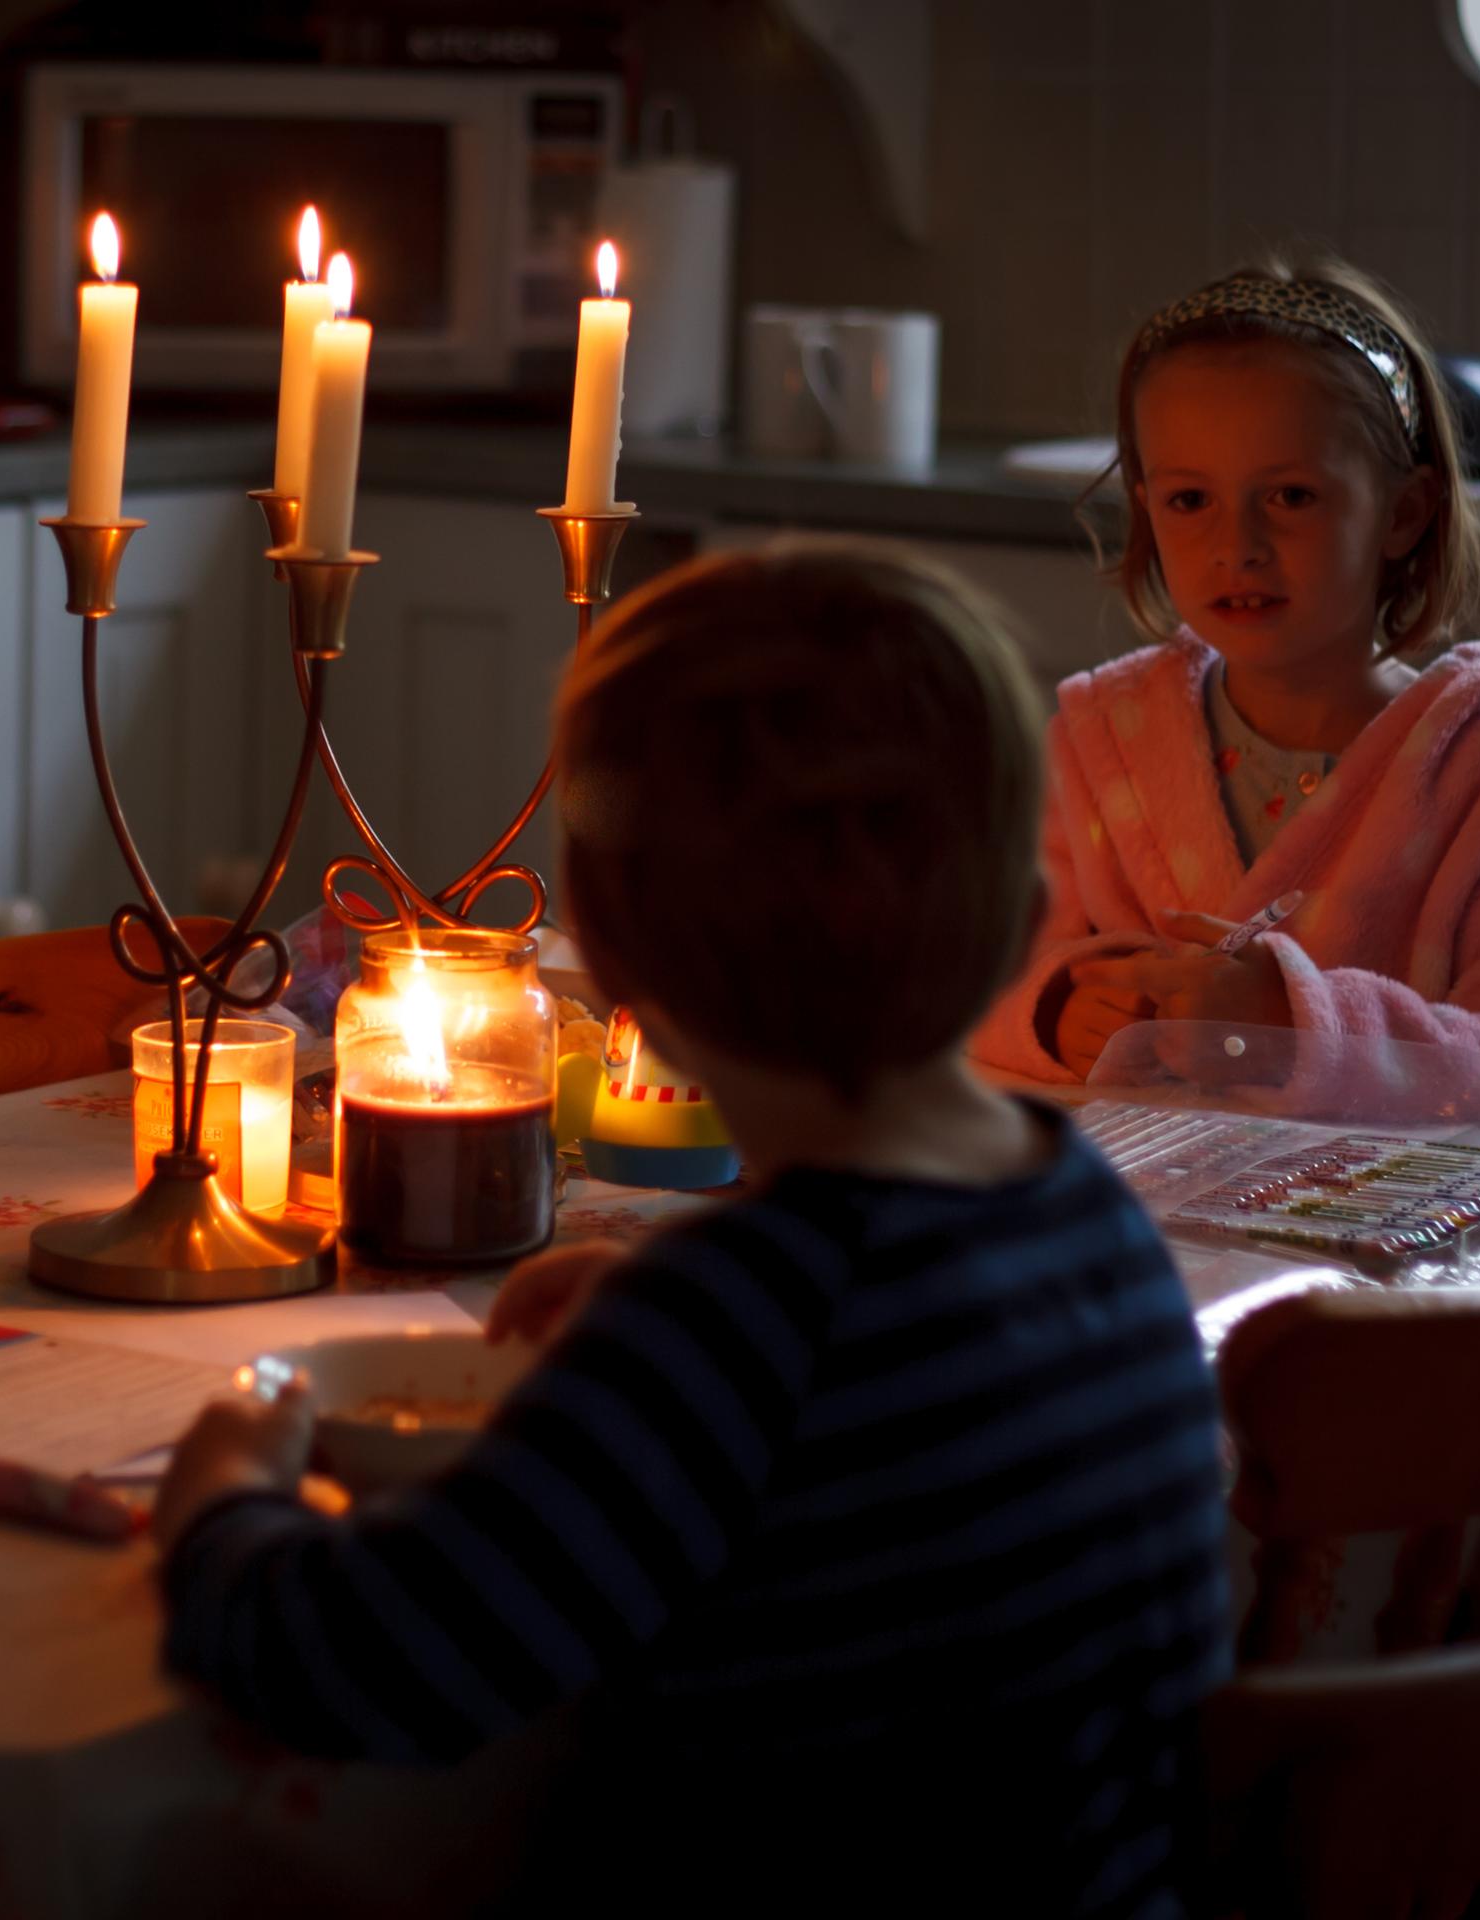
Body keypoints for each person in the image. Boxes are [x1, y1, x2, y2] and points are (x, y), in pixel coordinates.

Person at [152, 542, 1229, 1914]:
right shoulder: (1084, 1212)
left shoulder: (744, 1322)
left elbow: (378, 1661)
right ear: (1025, 928)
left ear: (615, 970)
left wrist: (222, 1496)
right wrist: (671, 1305)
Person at [973, 260, 1480, 1131]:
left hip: (1413, 1253)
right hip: (1155, 1233)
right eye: (1190, 500)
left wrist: (1298, 1030)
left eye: (1290, 496)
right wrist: (1057, 1008)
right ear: (1146, 511)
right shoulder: (1099, 746)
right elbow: (978, 972)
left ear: (1404, 513)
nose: (1238, 546)